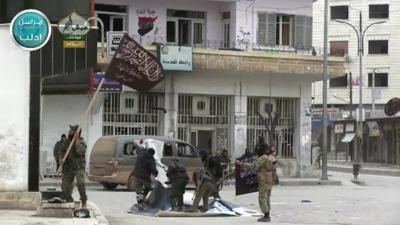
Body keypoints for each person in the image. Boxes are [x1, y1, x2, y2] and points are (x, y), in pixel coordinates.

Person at [236, 142, 277, 222]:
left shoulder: (263, 158)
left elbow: (254, 166)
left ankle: (266, 215)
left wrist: (241, 164)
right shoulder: (271, 157)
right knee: (267, 197)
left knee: (262, 197)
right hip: (269, 179)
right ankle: (267, 213)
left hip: (264, 180)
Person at [58, 125, 88, 208]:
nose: (69, 132)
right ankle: (69, 199)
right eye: (70, 130)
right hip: (69, 167)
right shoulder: (67, 142)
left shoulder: (82, 142)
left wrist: (77, 139)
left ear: (76, 133)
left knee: (80, 183)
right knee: (65, 185)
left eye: (71, 130)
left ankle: (84, 200)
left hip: (79, 167)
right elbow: (60, 150)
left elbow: (79, 151)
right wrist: (61, 159)